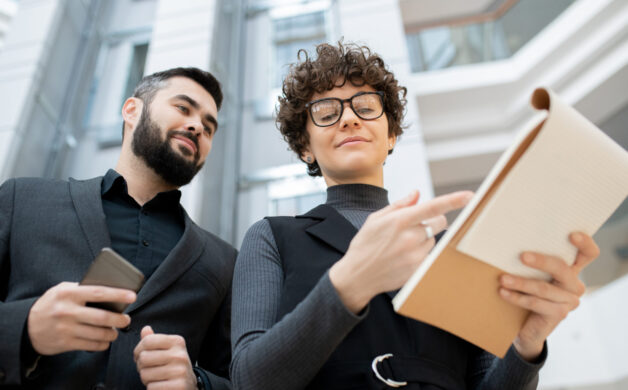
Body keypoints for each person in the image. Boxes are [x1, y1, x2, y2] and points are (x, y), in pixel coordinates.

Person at [230, 42, 599, 389]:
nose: (349, 119)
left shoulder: (455, 250)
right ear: (305, 148)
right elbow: (249, 379)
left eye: (366, 106)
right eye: (327, 112)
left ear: (391, 135)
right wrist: (349, 283)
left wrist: (528, 343)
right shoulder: (271, 237)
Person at [0, 67, 236, 390]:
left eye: (209, 127)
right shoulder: (25, 200)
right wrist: (26, 329)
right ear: (132, 111)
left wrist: (199, 383)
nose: (197, 126)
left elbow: (244, 378)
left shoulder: (225, 261)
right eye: (183, 108)